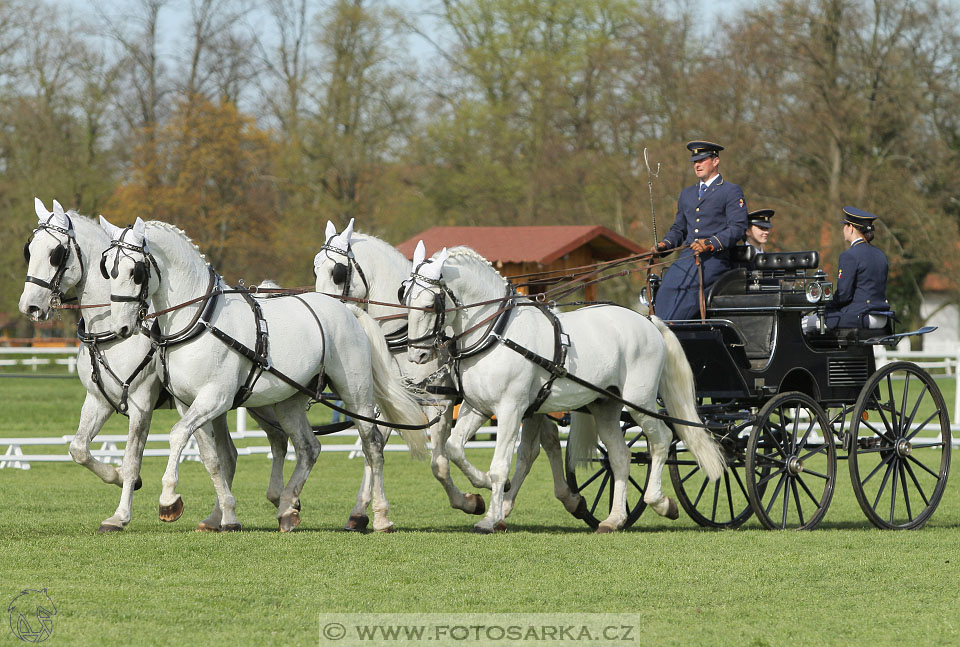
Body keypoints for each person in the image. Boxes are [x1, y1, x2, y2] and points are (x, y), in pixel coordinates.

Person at [652, 141, 748, 319]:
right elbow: (679, 229)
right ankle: (659, 329)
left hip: (714, 260)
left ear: (715, 161)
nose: (697, 165)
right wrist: (665, 244)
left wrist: (711, 243)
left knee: (689, 291)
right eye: (695, 161)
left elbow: (738, 227)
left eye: (702, 160)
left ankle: (672, 329)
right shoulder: (686, 194)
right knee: (666, 287)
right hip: (687, 258)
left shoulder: (730, 191)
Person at [821, 206, 890, 328]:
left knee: (806, 323)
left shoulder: (849, 256)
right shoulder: (880, 254)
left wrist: (825, 305)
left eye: (845, 225)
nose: (843, 229)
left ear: (851, 228)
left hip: (861, 316)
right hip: (882, 318)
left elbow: (843, 295)